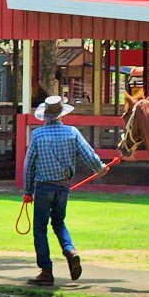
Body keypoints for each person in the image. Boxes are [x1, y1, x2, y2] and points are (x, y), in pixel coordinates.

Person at [21, 95, 107, 285]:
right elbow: (89, 155)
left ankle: (46, 270)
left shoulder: (37, 135)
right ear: (61, 115)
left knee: (40, 228)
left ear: (45, 116)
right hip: (63, 186)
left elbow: (29, 166)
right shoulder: (72, 132)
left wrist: (28, 191)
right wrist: (100, 168)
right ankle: (70, 251)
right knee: (59, 222)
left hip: (43, 187)